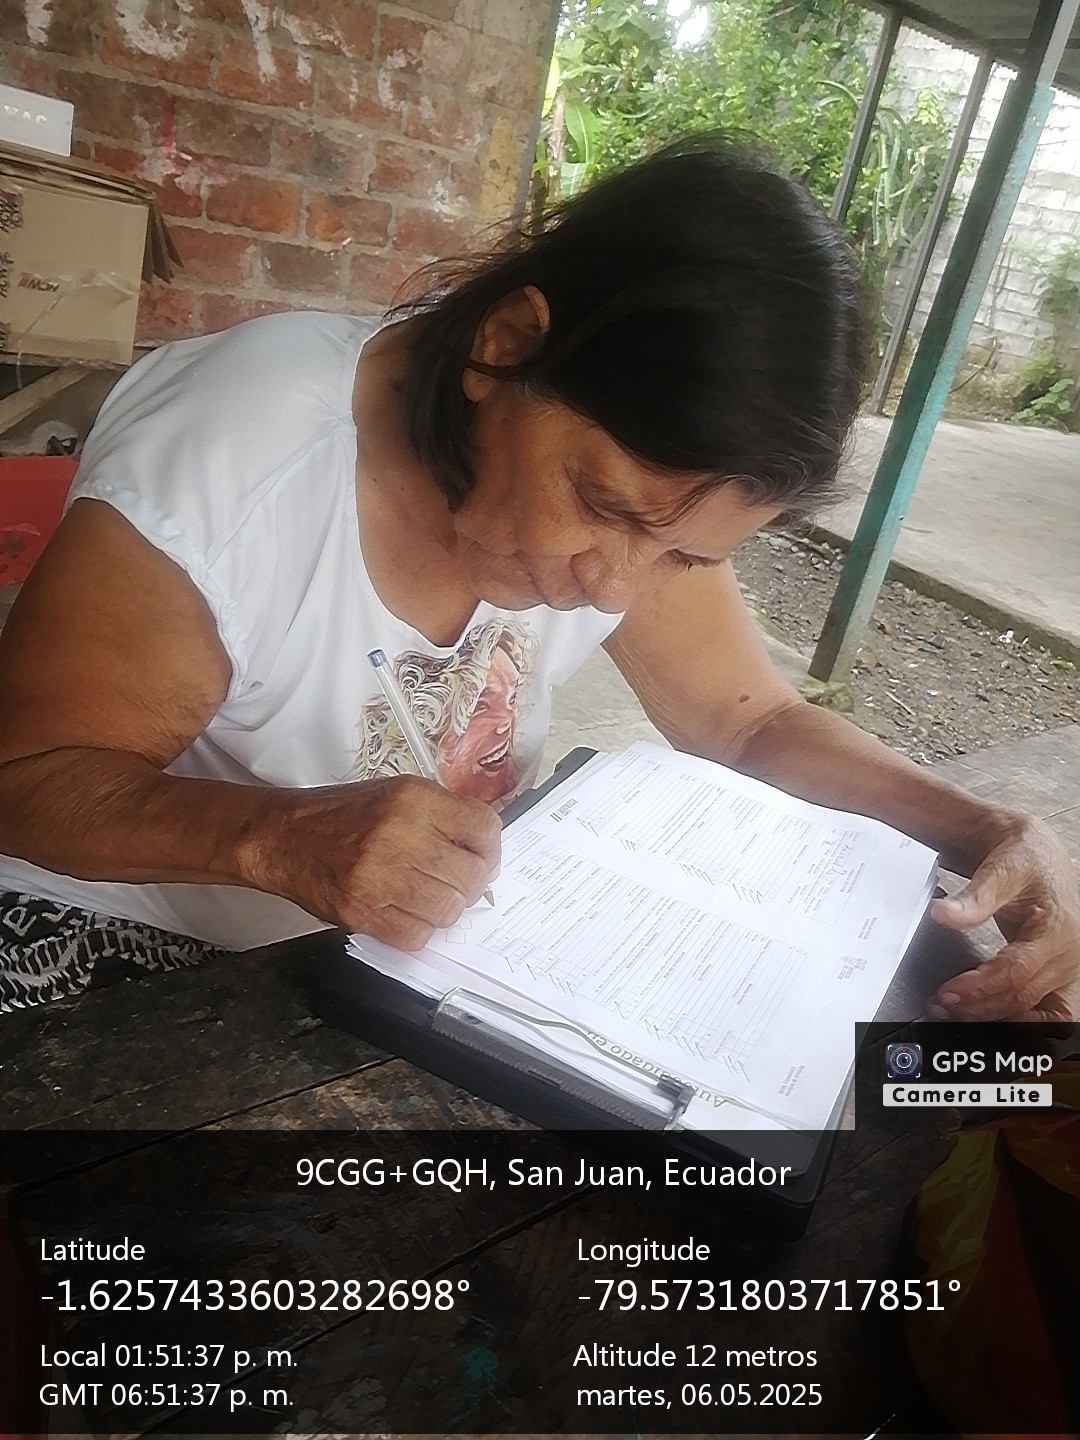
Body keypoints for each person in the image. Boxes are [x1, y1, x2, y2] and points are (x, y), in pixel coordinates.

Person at [0, 136, 1076, 1017]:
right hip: (126, 930)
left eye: (682, 556)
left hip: (402, 949)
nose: (615, 592)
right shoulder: (235, 471)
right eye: (606, 507)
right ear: (506, 346)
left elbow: (750, 721)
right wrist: (271, 837)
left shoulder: (637, 513)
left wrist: (985, 831)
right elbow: (25, 779)